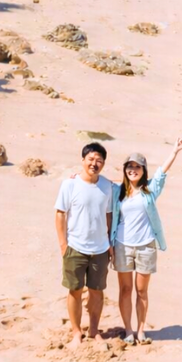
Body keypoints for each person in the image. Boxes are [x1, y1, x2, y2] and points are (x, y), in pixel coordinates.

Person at [110, 138, 182, 345]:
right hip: (122, 245)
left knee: (142, 291)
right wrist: (75, 177)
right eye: (130, 166)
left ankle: (141, 329)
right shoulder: (117, 191)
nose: (133, 170)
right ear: (125, 170)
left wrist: (174, 152)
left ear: (143, 170)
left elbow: (161, 174)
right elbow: (97, 184)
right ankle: (128, 329)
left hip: (146, 246)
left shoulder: (149, 191)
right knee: (125, 290)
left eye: (137, 167)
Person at [54, 142, 115, 345]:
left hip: (100, 249)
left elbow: (109, 216)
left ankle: (94, 330)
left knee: (97, 291)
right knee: (75, 290)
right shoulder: (69, 185)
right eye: (90, 159)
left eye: (99, 160)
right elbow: (60, 214)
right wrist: (63, 245)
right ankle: (76, 331)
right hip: (75, 247)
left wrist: (110, 243)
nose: (94, 164)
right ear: (83, 161)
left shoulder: (108, 186)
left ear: (103, 163)